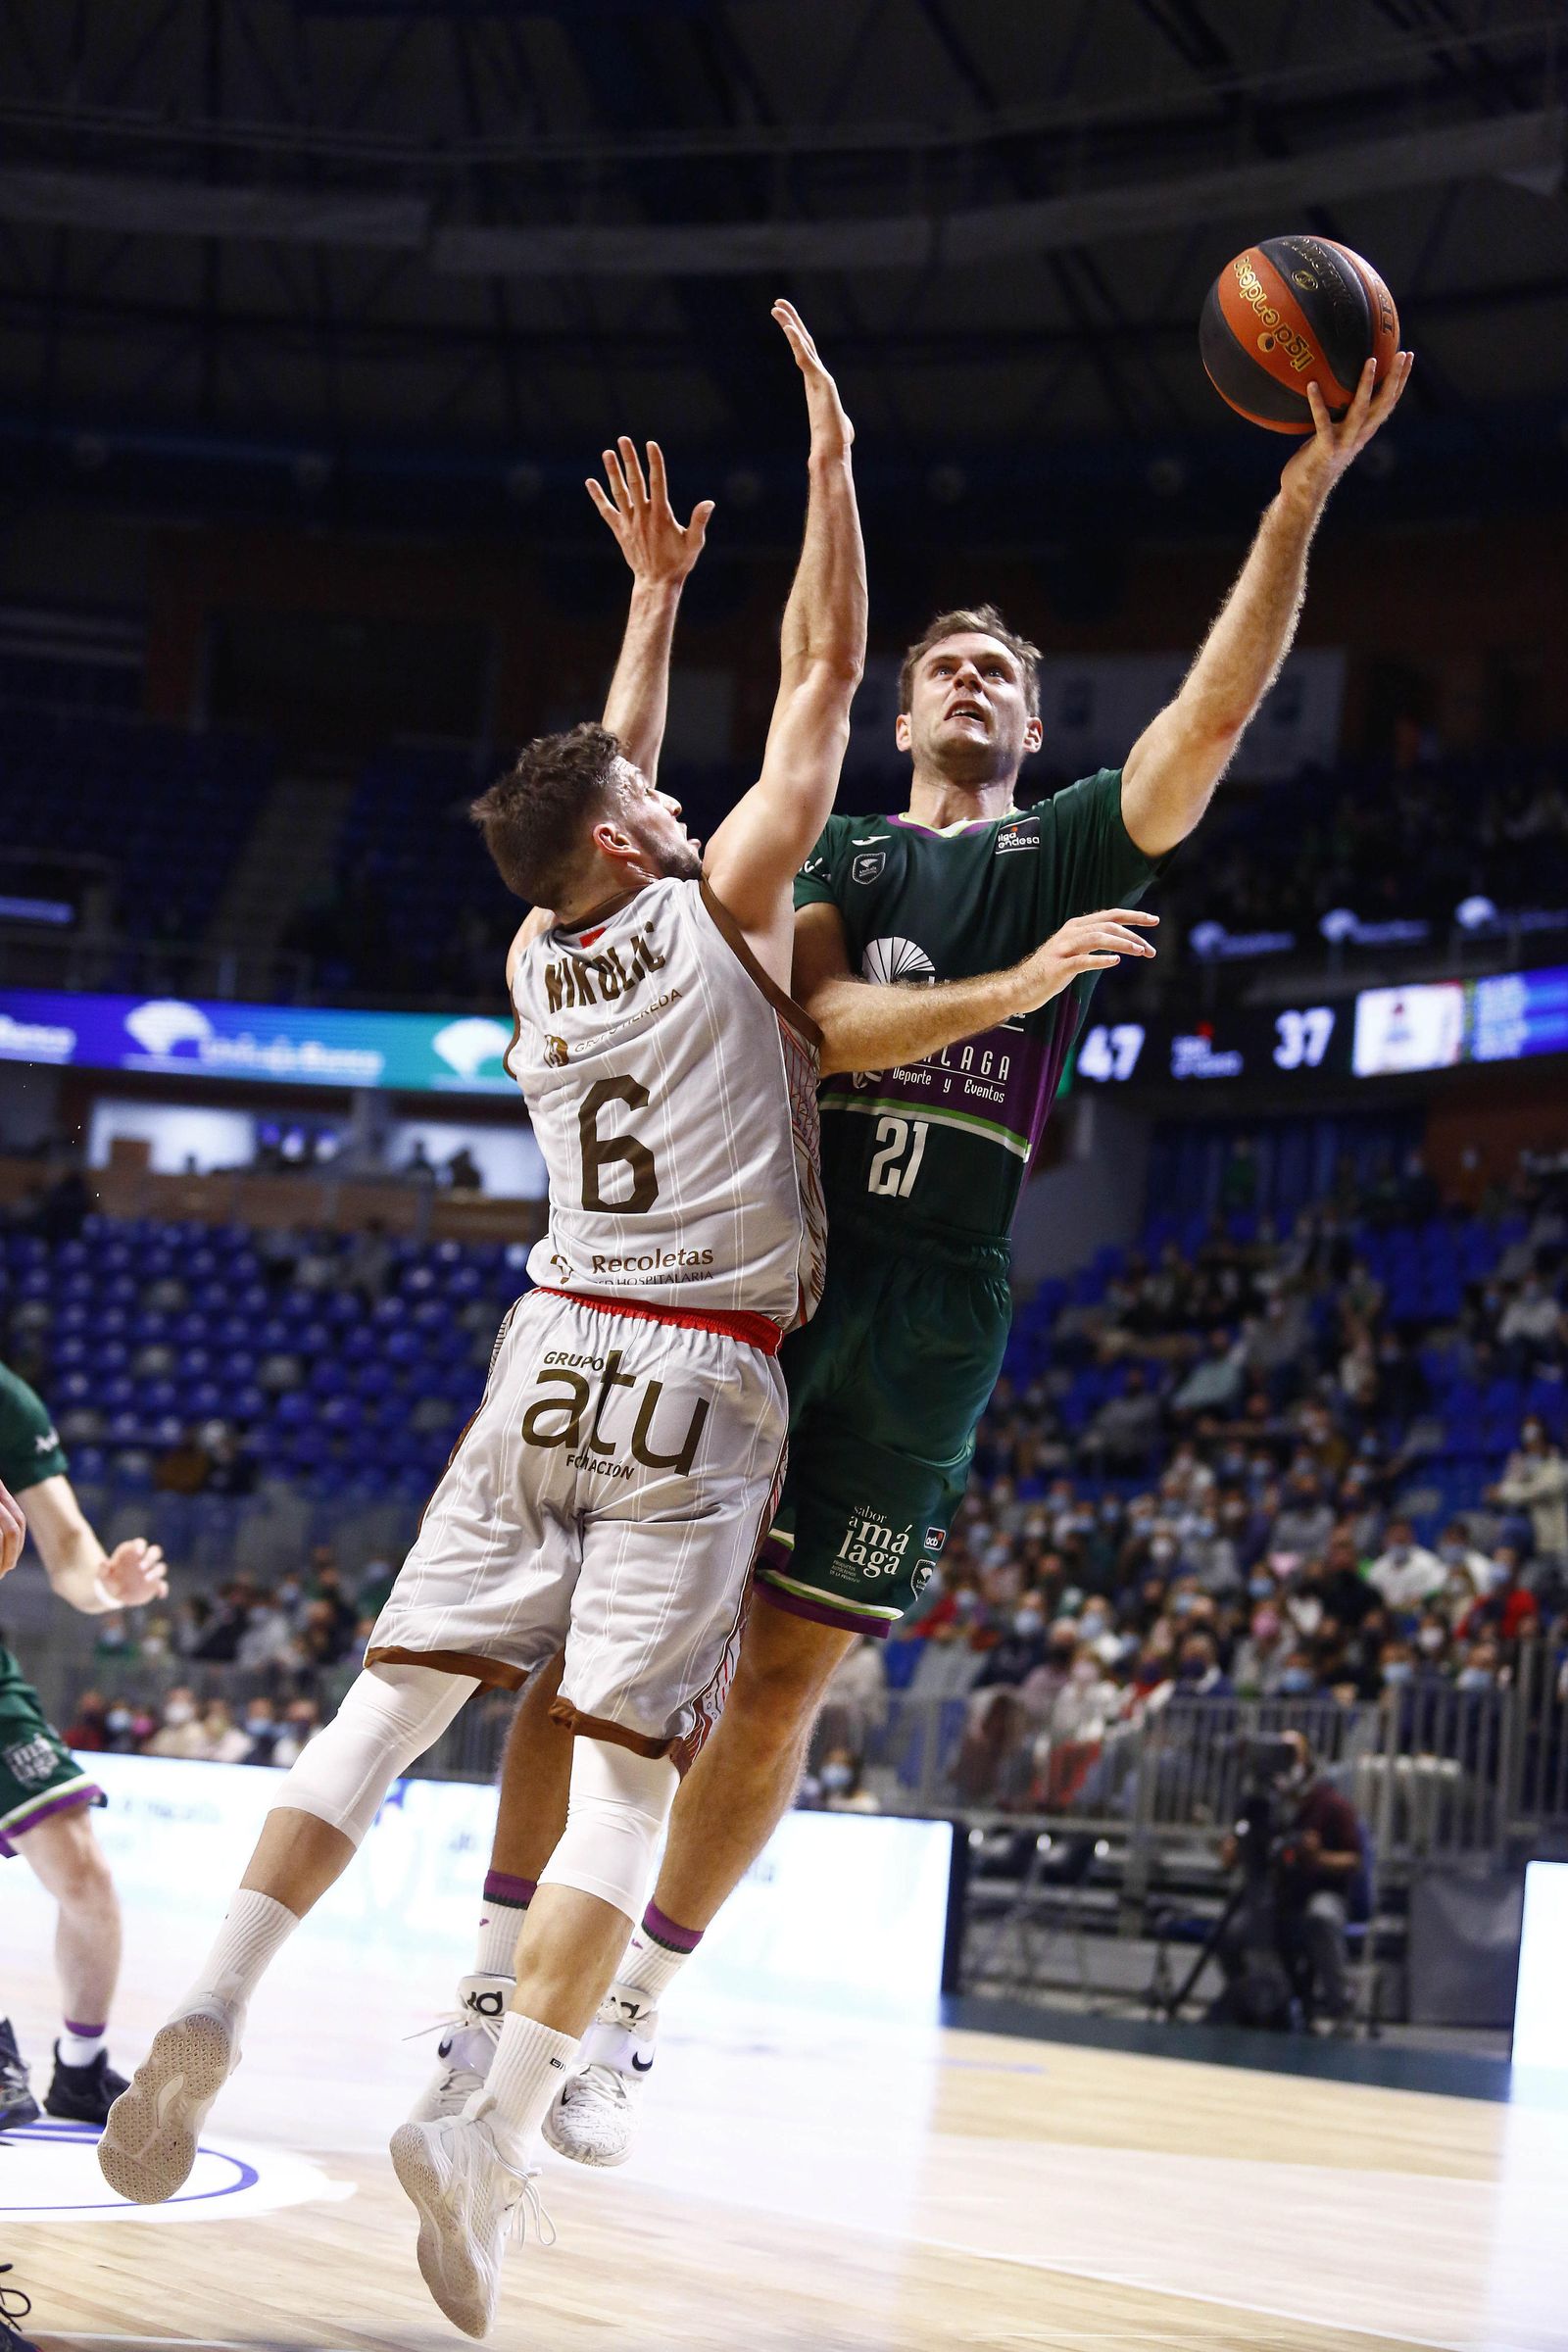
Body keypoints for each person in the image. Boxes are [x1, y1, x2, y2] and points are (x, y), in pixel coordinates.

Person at [462, 336, 1413, 2167]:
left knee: (788, 1679)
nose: (970, 679)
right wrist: (1018, 990)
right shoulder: (846, 857)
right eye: (945, 664)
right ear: (905, 713)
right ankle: (503, 1989)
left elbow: (1211, 719)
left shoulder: (1065, 844)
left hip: (935, 1307)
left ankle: (637, 2015)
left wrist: (1296, 496)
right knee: (621, 1654)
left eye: (1001, 671)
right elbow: (814, 1031)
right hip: (769, 1279)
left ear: (1036, 727)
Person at [98, 300, 869, 2335]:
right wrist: (831, 472)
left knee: (389, 1702)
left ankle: (210, 2002)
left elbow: (592, 792)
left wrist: (639, 607)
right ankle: (493, 2130)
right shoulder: (717, 907)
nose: (669, 799)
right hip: (702, 1376)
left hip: (542, 1345)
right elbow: (818, 679)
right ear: (634, 839)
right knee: (620, 1782)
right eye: (644, 795)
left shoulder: (541, 949)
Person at [0, 1369, 168, 2130]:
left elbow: (71, 1554)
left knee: (84, 1873)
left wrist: (109, 1588)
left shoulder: (9, 1401)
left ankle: (79, 2069)